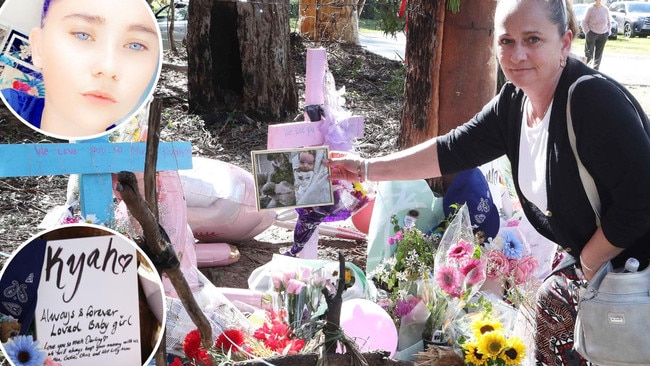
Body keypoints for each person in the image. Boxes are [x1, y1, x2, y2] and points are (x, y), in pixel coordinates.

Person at [325, 0, 650, 364]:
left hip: (634, 281)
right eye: (506, 41)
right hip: (597, 273)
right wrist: (366, 169)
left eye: (533, 39)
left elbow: (641, 204)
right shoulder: (514, 103)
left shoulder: (592, 100)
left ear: (565, 42)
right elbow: (451, 150)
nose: (518, 54)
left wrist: (586, 267)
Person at [0, 0, 160, 138]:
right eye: (82, 35)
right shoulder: (8, 107)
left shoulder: (132, 152)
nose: (108, 68)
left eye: (135, 45)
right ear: (38, 48)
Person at [582, 0, 611, 70]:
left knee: (599, 54)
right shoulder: (590, 9)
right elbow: (584, 22)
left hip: (603, 34)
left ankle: (596, 70)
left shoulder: (605, 9)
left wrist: (608, 32)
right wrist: (588, 32)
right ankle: (586, 69)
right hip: (592, 34)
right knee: (589, 53)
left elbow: (609, 22)